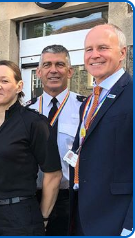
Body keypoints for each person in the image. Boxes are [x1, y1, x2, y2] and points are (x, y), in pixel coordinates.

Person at [0, 60, 62, 236]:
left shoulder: (34, 123)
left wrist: (43, 217)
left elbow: (53, 174)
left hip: (20, 217)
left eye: (4, 81)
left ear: (19, 86)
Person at [69, 24, 133, 236]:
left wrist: (131, 225)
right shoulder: (89, 100)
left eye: (103, 47)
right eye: (89, 49)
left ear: (122, 52)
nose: (94, 55)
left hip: (117, 218)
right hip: (82, 215)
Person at [26, 45, 85, 235]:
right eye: (47, 64)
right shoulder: (26, 110)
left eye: (59, 64)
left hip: (69, 198)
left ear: (70, 72)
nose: (53, 70)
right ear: (39, 72)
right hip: (31, 197)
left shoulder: (84, 108)